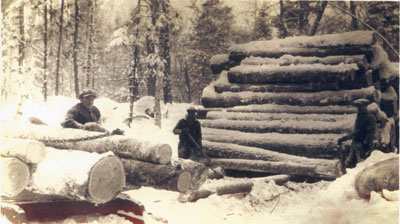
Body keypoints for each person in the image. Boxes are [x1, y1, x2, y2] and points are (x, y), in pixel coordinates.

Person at [337, 98, 377, 168]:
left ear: (365, 106)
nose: (359, 108)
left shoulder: (370, 117)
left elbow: (370, 134)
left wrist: (366, 147)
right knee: (349, 164)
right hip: (355, 144)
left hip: (363, 146)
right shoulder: (359, 117)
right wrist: (344, 138)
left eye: (361, 106)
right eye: (358, 107)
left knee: (362, 166)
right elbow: (356, 132)